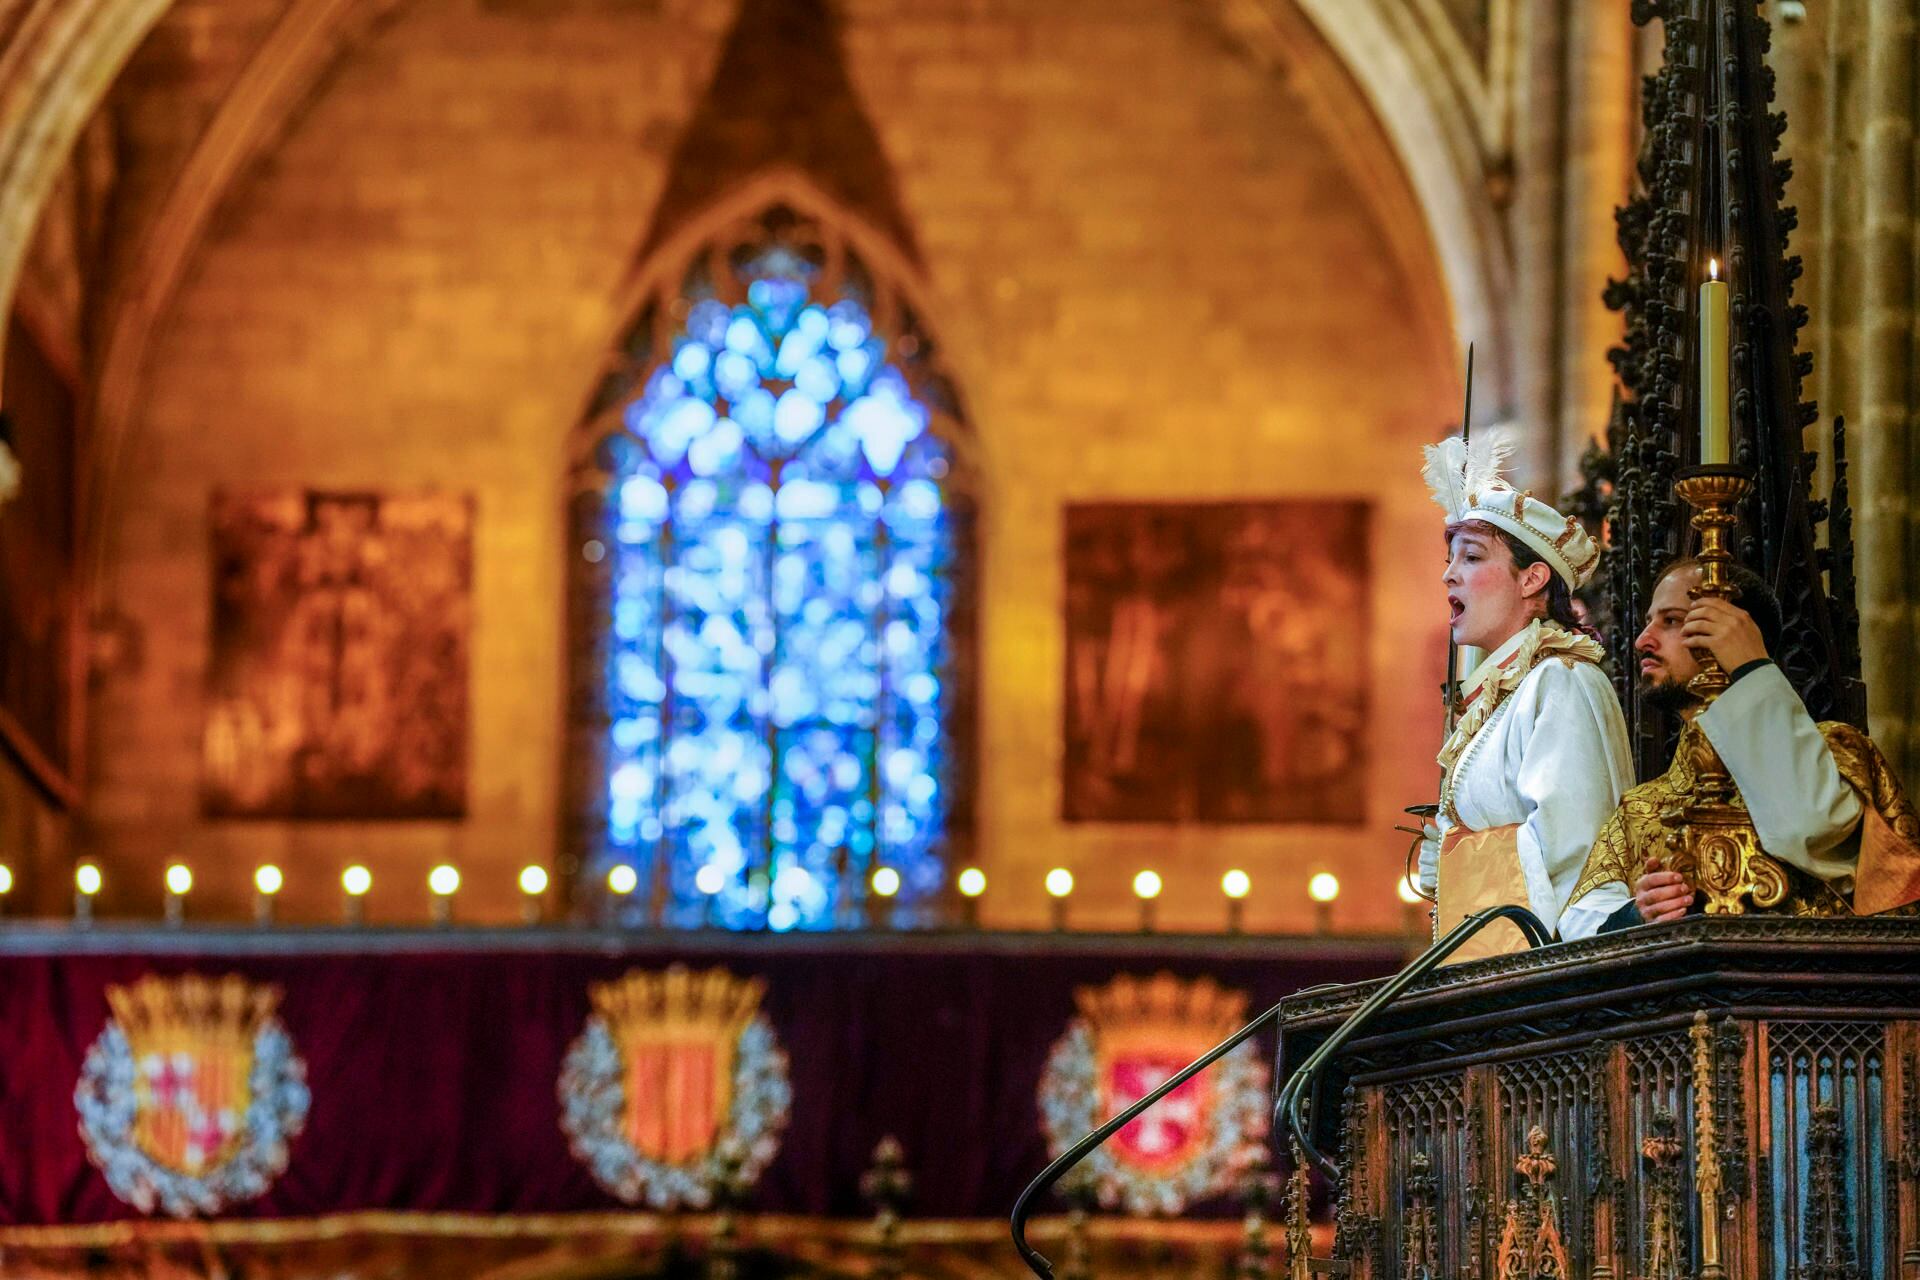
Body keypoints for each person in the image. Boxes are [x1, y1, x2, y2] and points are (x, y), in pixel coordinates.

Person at [1559, 558, 1920, 937]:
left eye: (1672, 621)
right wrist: (1638, 912)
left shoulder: (1834, 753)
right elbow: (1578, 920)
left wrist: (1750, 667)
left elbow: (1808, 825)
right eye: (1651, 620)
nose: (1642, 640)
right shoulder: (1640, 810)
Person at [1416, 434, 1634, 960]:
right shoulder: (1503, 695)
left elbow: (1575, 859)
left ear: (1532, 578)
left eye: (1471, 557)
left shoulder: (1560, 680)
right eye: (1450, 559)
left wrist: (1455, 855)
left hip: (1542, 981)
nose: (1449, 573)